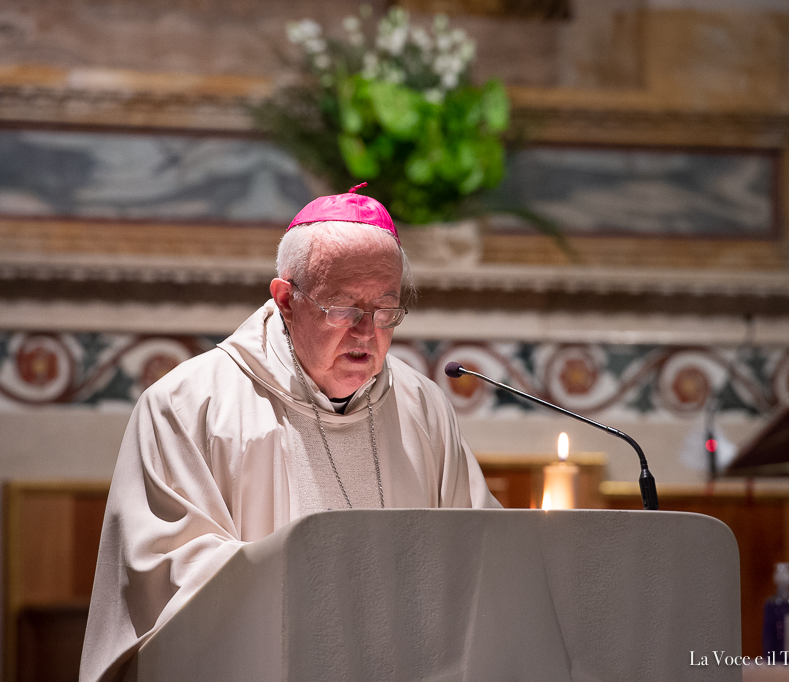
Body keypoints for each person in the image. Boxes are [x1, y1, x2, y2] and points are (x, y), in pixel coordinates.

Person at [79, 186, 500, 682]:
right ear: (285, 300)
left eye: (386, 309)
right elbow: (173, 579)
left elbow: (479, 556)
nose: (367, 332)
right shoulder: (189, 405)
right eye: (343, 308)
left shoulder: (421, 405)